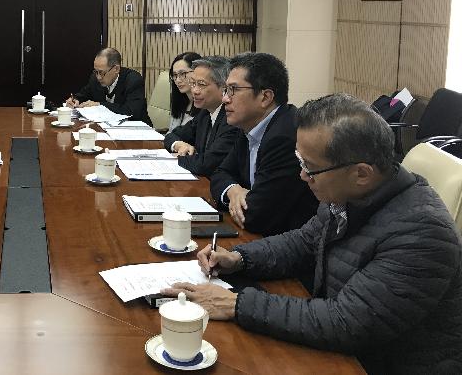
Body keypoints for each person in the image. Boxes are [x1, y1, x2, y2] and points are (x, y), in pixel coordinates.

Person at [163, 93, 462, 375]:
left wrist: (235, 304)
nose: (302, 175)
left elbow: (346, 322)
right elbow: (303, 242)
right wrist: (238, 258)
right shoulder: (348, 196)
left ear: (361, 173)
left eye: (310, 167)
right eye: (300, 161)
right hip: (341, 351)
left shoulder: (421, 233)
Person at [209, 52, 316, 235]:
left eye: (233, 90)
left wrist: (237, 197)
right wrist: (233, 190)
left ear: (265, 97)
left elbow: (256, 217)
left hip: (289, 248)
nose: (225, 98)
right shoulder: (249, 126)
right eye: (226, 90)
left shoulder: (286, 137)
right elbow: (220, 173)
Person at [164, 56, 241, 177]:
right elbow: (172, 135)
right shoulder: (205, 113)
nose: (194, 90)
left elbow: (206, 164)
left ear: (223, 87)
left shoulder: (232, 118)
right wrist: (178, 144)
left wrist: (176, 158)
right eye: (193, 83)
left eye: (201, 84)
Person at [65, 48, 152, 125]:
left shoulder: (133, 80)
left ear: (116, 69)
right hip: (108, 129)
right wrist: (75, 100)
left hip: (137, 131)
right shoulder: (95, 78)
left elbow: (131, 111)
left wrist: (100, 105)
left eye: (102, 73)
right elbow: (84, 94)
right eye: (96, 72)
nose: (98, 77)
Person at [168, 52, 202, 130]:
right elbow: (171, 132)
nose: (178, 80)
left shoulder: (204, 105)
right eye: (175, 75)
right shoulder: (180, 100)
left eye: (182, 74)